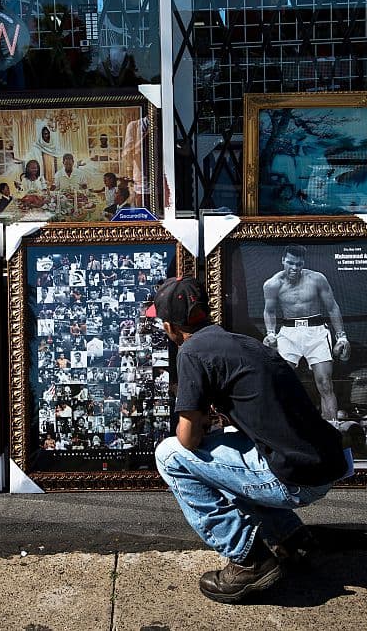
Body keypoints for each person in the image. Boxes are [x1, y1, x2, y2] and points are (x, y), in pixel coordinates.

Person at [149, 277, 347, 603]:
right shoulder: (239, 341)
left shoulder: (191, 353)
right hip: (321, 465)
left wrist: (198, 416)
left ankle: (248, 559)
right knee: (222, 457)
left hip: (292, 480)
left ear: (170, 326)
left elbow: (186, 439)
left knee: (170, 455)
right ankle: (292, 538)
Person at [262, 245, 349, 421]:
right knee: (282, 380)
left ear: (303, 263)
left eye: (299, 264)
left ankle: (332, 430)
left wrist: (342, 336)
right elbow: (269, 311)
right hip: (288, 333)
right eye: (290, 263)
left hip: (316, 331)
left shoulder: (317, 279)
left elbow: (332, 307)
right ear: (283, 261)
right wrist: (271, 333)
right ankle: (284, 430)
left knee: (325, 382)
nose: (294, 268)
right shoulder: (272, 284)